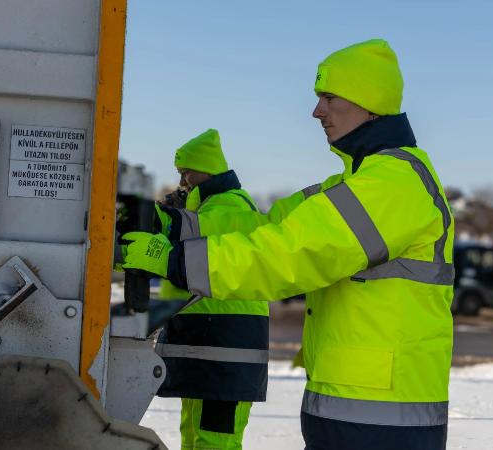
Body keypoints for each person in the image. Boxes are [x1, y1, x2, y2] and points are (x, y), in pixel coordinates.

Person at [122, 39, 455, 450]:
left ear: (368, 101)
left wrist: (176, 262)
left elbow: (288, 253)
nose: (317, 111)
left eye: (329, 97)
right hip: (356, 405)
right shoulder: (350, 185)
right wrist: (168, 224)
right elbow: (258, 226)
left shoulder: (393, 185)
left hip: (381, 416)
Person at [153, 129, 269, 450]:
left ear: (208, 169)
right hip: (209, 349)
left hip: (226, 353)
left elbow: (192, 241)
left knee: (214, 442)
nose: (183, 181)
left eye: (187, 172)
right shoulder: (210, 207)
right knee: (194, 437)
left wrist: (169, 218)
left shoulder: (230, 206)